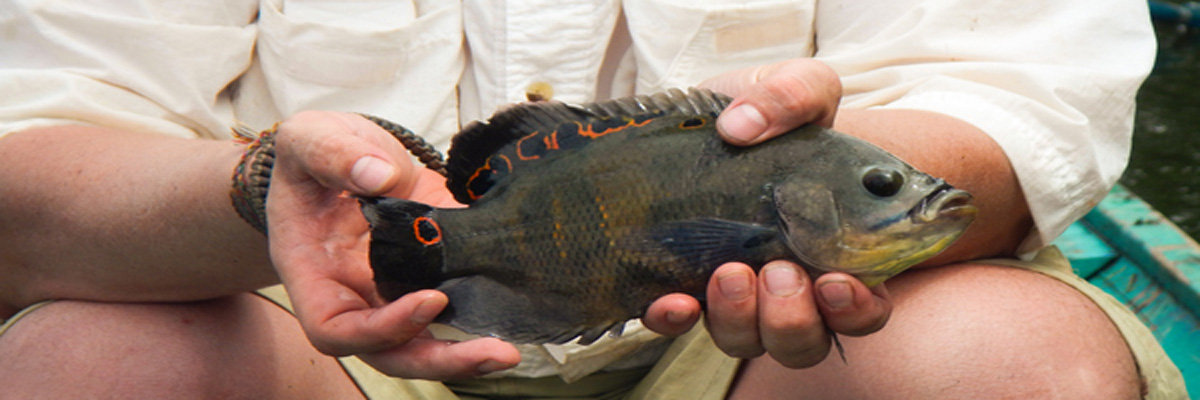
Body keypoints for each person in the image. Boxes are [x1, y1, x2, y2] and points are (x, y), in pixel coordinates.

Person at [0, 0, 1184, 398]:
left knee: (1010, 362)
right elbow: (34, 145)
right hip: (301, 331)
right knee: (92, 368)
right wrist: (259, 189)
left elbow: (1022, 94)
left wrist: (828, 192)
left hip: (783, 354)